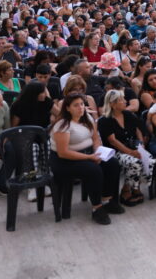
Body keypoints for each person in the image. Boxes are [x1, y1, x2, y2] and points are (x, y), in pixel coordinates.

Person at [50, 93, 123, 225]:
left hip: (88, 154)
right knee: (93, 170)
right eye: (76, 105)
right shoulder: (62, 125)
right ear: (67, 108)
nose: (80, 108)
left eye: (82, 104)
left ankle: (107, 199)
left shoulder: (87, 118)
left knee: (112, 164)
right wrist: (89, 157)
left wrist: (98, 152)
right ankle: (97, 208)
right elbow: (63, 152)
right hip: (65, 161)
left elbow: (95, 138)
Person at [98, 90, 155, 206]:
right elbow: (113, 141)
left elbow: (138, 128)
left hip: (132, 147)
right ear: (112, 104)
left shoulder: (128, 115)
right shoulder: (105, 120)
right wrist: (131, 152)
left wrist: (141, 145)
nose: (125, 101)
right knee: (135, 162)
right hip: (115, 152)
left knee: (149, 160)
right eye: (121, 100)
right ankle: (126, 190)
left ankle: (133, 187)